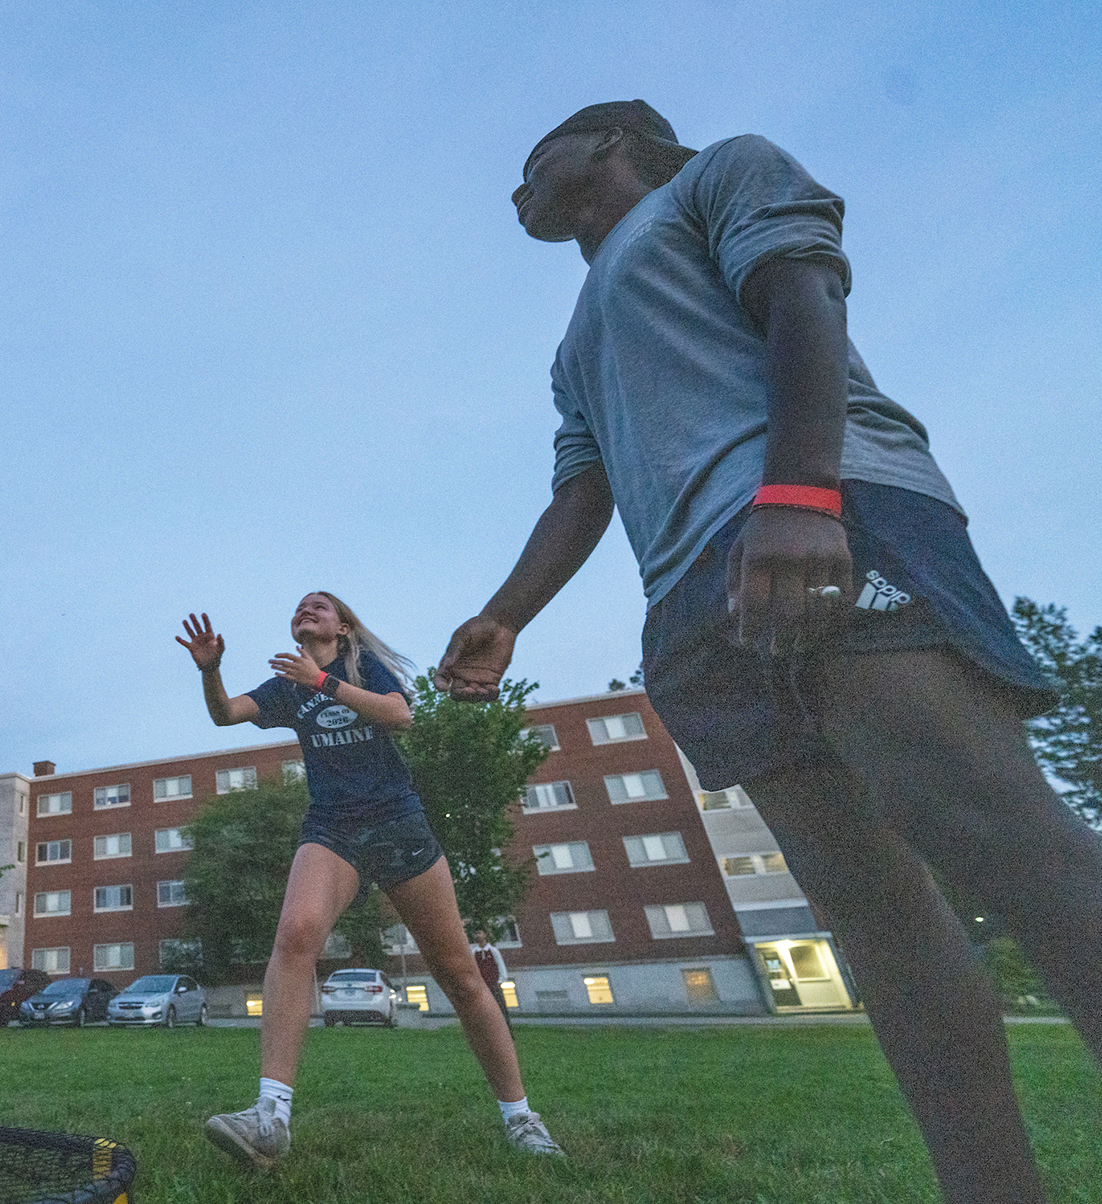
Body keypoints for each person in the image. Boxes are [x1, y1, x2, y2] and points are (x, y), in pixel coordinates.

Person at [434, 100, 1102, 1204]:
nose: (517, 185)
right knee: (877, 920)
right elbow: (584, 486)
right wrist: (510, 613)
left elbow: (803, 296)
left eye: (534, 158)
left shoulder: (718, 177)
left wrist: (797, 490)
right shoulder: (572, 343)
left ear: (611, 142)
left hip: (827, 516)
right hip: (698, 604)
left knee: (996, 830)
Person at [180, 594, 562, 1169]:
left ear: (343, 625)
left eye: (320, 605)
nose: (307, 610)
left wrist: (323, 682)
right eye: (300, 606)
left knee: (458, 976)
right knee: (296, 933)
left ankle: (522, 1118)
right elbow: (224, 713)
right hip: (331, 827)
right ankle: (270, 1117)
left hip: (396, 821)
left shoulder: (360, 667)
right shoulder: (285, 682)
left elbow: (399, 715)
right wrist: (212, 670)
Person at [468, 925, 511, 1026]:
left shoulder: (493, 950)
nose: (477, 935)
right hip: (482, 986)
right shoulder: (474, 952)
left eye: (479, 933)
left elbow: (500, 965)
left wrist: (500, 980)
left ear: (485, 935)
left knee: (500, 1008)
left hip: (494, 984)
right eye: (476, 934)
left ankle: (506, 1029)